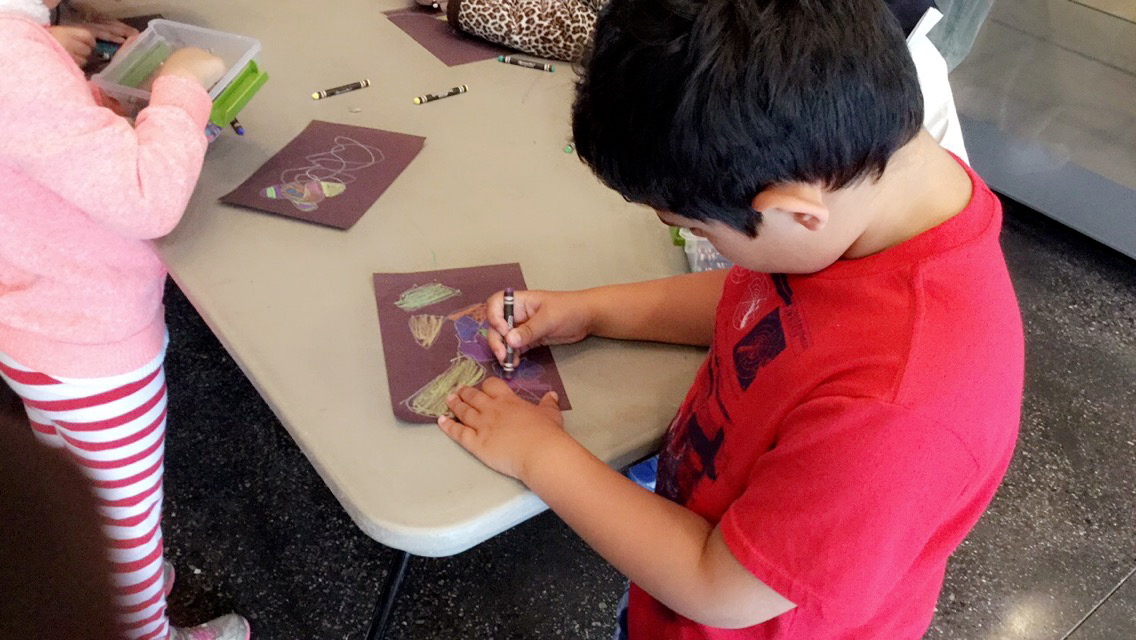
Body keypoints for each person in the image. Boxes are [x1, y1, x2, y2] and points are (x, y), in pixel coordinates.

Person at [436, 0, 1025, 638]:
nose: (693, 236)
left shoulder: (899, 412)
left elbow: (718, 586)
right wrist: (591, 309)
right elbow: (762, 301)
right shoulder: (873, 190)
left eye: (691, 226)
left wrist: (539, 455)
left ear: (794, 211)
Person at [0, 1, 248, 638]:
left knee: (81, 485)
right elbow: (147, 198)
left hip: (33, 328)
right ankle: (141, 624)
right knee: (124, 522)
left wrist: (51, 54)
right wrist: (182, 88)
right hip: (94, 344)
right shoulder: (13, 61)